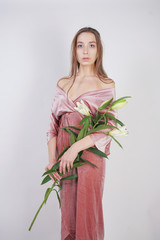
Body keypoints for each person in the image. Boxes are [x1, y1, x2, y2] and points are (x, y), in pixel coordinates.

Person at [45, 27, 117, 240]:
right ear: (74, 50)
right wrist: (52, 161)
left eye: (91, 45)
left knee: (87, 214)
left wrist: (75, 147)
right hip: (65, 161)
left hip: (89, 159)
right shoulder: (63, 83)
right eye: (80, 45)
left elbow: (107, 126)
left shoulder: (106, 84)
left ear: (98, 51)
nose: (85, 50)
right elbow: (52, 126)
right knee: (68, 216)